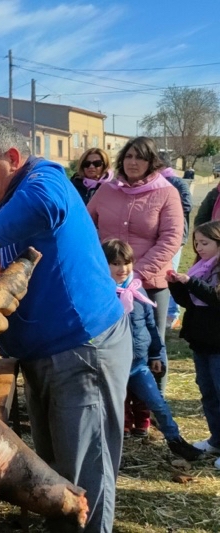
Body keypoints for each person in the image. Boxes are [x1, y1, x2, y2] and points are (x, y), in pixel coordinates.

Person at [0, 120, 132, 533]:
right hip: (46, 354)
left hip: (82, 349)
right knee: (56, 469)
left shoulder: (43, 178)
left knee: (85, 470)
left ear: (13, 159)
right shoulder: (8, 206)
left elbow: (46, 203)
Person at [87, 138, 183, 432]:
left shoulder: (166, 193)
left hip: (150, 284)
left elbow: (171, 239)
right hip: (106, 286)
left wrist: (136, 275)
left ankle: (153, 409)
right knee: (108, 346)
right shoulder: (106, 191)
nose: (133, 162)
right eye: (128, 156)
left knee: (151, 346)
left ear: (151, 161)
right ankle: (119, 412)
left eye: (140, 157)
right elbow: (87, 228)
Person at [102, 239, 202, 459]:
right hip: (111, 366)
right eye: (116, 264)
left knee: (157, 403)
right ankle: (111, 453)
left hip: (138, 364)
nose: (123, 269)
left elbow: (151, 326)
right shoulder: (100, 295)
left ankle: (176, 441)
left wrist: (156, 354)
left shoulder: (137, 292)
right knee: (112, 410)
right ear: (103, 265)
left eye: (127, 263)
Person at [167, 221, 220, 467]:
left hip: (218, 343)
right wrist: (175, 285)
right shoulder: (200, 267)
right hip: (202, 341)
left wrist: (189, 282)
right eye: (196, 243)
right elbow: (190, 302)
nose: (199, 248)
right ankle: (216, 440)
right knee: (208, 393)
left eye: (205, 243)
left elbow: (213, 298)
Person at [159, 158, 192, 333]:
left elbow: (187, 205)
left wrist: (166, 209)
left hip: (176, 237)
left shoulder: (176, 182)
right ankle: (163, 312)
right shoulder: (153, 182)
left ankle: (173, 314)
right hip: (158, 237)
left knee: (171, 274)